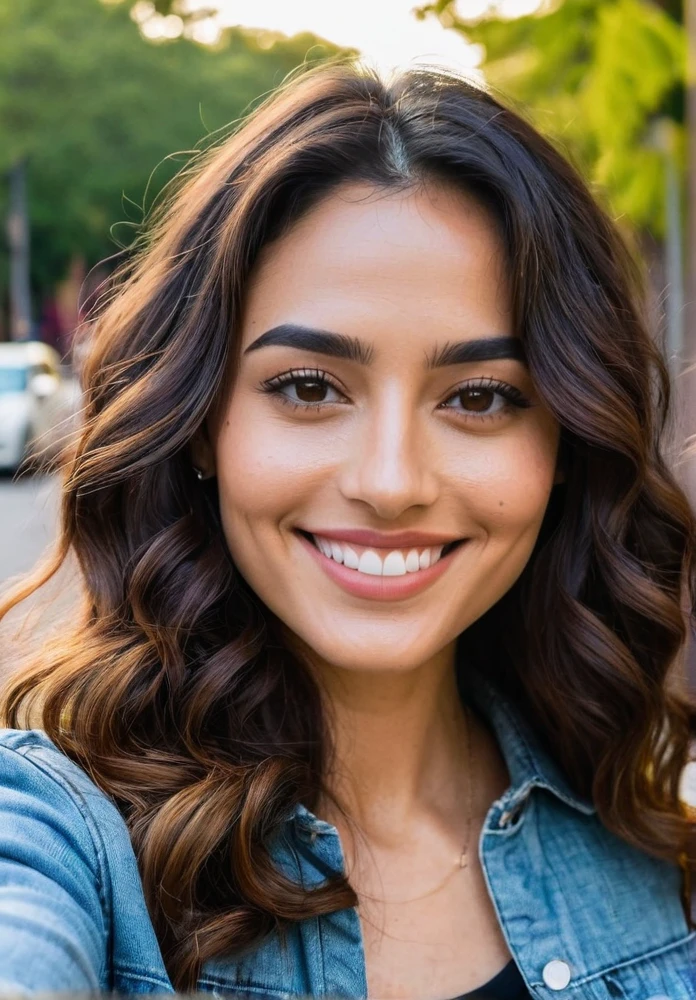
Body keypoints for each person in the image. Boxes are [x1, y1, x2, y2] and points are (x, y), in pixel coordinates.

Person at [0, 60, 694, 1000]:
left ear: (566, 441)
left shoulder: (650, 827)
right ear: (204, 419)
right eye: (310, 388)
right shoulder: (58, 836)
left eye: (481, 397)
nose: (391, 482)